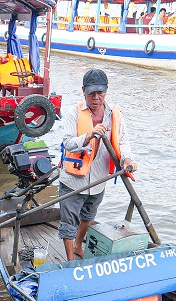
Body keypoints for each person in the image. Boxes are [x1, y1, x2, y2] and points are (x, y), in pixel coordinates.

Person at [58, 69, 138, 262]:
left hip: (99, 179)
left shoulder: (114, 115)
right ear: (83, 90)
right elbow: (68, 142)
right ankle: (70, 261)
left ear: (106, 91)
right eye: (92, 93)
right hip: (73, 180)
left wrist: (127, 159)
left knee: (88, 215)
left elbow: (123, 141)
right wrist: (89, 135)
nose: (96, 98)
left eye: (100, 93)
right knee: (69, 222)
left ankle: (78, 245)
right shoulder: (73, 112)